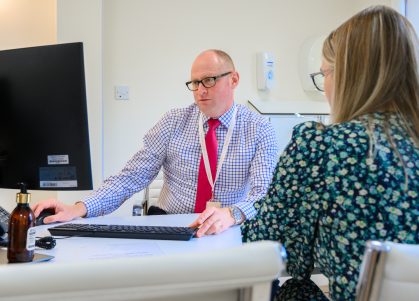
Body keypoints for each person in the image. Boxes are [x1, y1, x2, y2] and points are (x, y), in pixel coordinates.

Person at [242, 5, 419, 301]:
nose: (324, 85)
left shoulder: (321, 146)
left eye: (324, 73)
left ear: (350, 76)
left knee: (294, 291)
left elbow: (265, 242)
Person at [33, 49, 278, 237]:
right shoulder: (173, 121)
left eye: (210, 80)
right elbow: (131, 177)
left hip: (223, 227)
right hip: (170, 224)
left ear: (233, 80)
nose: (200, 90)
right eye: (195, 83)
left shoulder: (259, 129)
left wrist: (232, 214)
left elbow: (264, 194)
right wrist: (78, 208)